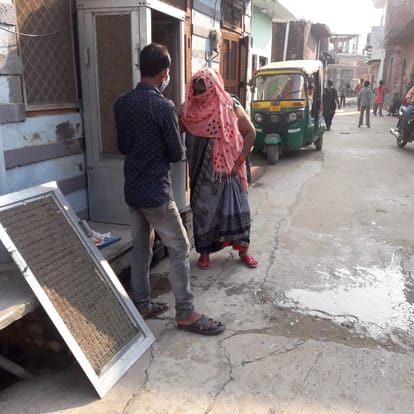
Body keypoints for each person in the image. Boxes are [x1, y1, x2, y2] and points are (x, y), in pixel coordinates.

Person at [114, 43, 224, 335]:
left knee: (141, 248)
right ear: (164, 73)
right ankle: (185, 313)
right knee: (180, 248)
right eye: (168, 72)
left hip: (133, 189)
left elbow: (123, 146)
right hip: (156, 193)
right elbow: (176, 152)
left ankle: (142, 304)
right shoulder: (164, 107)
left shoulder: (122, 103)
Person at [179, 67, 258, 271]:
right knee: (203, 213)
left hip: (230, 172)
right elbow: (174, 132)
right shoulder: (188, 110)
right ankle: (204, 253)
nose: (199, 95)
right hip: (202, 175)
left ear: (214, 88)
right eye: (196, 90)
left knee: (239, 210)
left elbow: (250, 133)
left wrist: (238, 163)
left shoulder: (230, 105)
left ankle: (243, 250)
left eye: (203, 90)